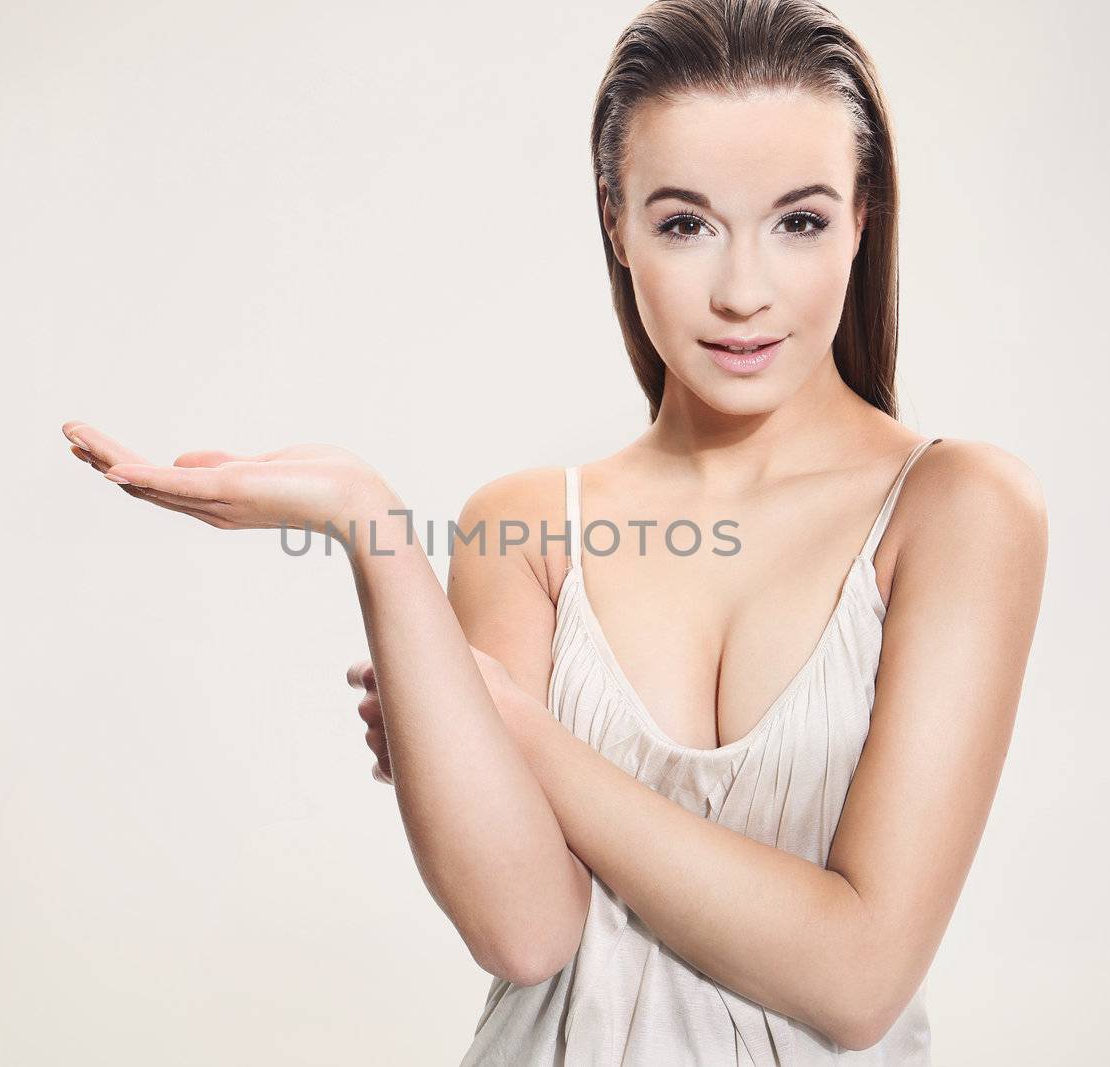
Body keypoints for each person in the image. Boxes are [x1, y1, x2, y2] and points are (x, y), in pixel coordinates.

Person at [60, 0, 1047, 1061]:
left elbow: (857, 976)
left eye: (797, 221)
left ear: (862, 216)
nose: (742, 291)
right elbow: (524, 931)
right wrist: (373, 531)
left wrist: (512, 729)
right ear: (616, 223)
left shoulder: (958, 509)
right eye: (684, 223)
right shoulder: (521, 525)